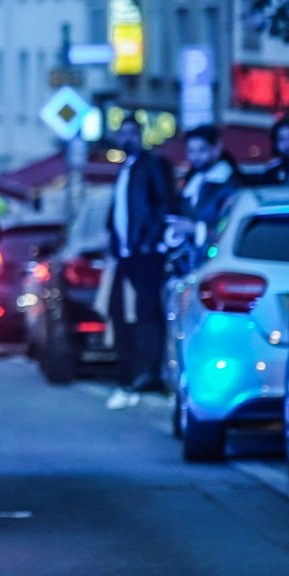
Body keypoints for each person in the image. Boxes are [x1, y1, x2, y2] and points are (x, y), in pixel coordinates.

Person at [105, 116, 178, 409]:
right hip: (127, 253)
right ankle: (133, 370)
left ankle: (150, 372)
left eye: (132, 133)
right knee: (122, 312)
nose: (127, 138)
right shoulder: (125, 169)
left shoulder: (151, 165)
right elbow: (120, 211)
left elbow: (163, 203)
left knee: (147, 312)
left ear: (141, 135)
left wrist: (150, 239)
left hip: (146, 252)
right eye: (123, 133)